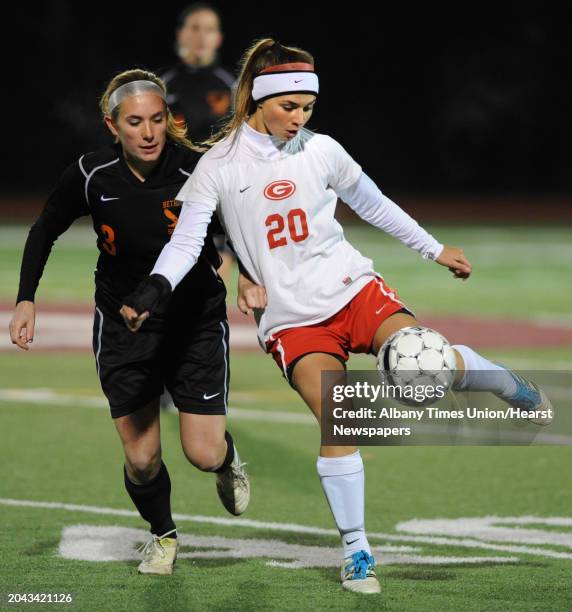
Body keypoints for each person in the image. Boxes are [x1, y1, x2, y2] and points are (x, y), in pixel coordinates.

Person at [120, 40, 553, 594]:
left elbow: (372, 202)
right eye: (288, 108)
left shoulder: (321, 149)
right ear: (257, 98)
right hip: (293, 320)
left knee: (427, 371)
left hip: (353, 289)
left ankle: (498, 379)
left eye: (306, 109)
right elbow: (185, 243)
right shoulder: (218, 167)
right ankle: (358, 551)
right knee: (340, 416)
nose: (298, 119)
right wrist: (156, 287)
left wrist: (433, 248)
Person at [9, 68, 250, 576]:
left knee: (203, 454)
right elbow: (44, 229)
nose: (148, 132)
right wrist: (26, 298)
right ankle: (163, 535)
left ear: (168, 120)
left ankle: (228, 462)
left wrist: (248, 275)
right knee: (141, 460)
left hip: (194, 322)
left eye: (157, 120)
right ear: (111, 126)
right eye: (135, 122)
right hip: (123, 324)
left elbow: (237, 228)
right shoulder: (91, 174)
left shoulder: (196, 169)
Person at [161, 2, 236, 282]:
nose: (201, 36)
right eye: (194, 28)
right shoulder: (161, 85)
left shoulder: (234, 86)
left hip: (219, 197)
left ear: (218, 38)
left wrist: (229, 248)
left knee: (209, 286)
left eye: (209, 29)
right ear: (180, 35)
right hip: (172, 193)